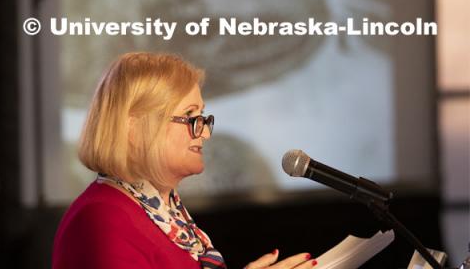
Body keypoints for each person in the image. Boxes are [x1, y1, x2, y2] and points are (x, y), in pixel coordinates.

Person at [52, 52, 318, 269]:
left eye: (203, 117)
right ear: (133, 129)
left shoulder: (166, 214)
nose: (204, 132)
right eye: (191, 116)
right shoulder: (102, 218)